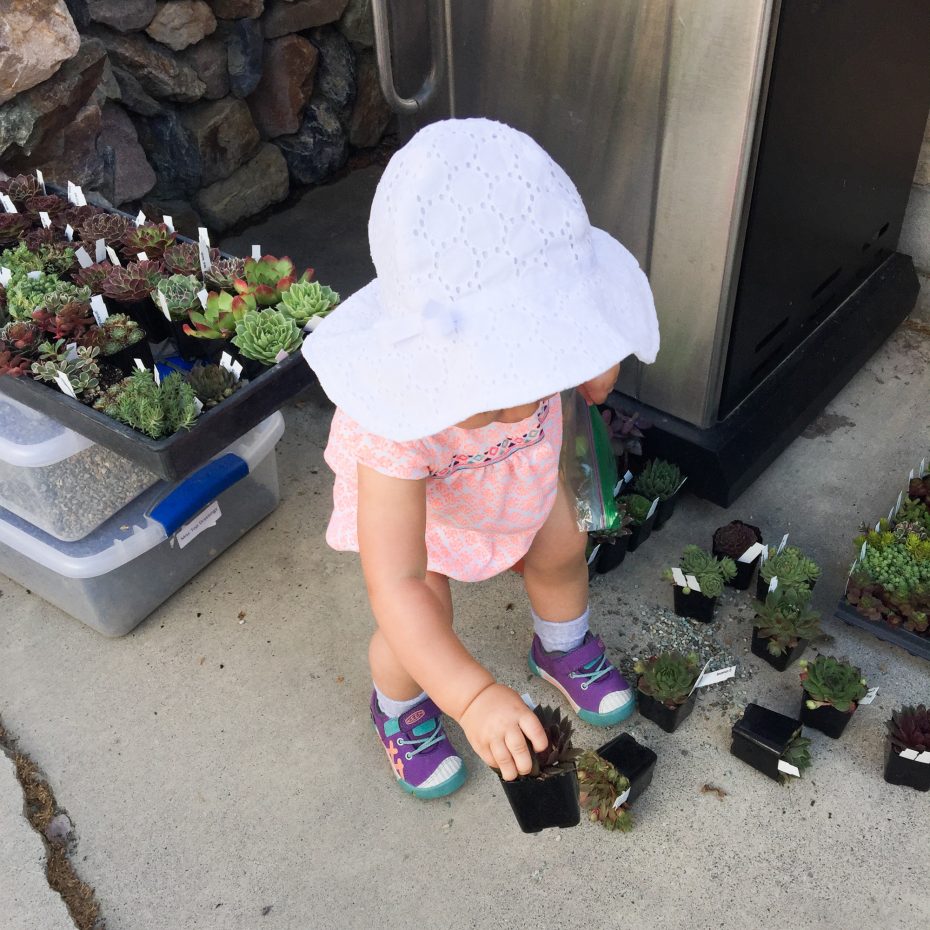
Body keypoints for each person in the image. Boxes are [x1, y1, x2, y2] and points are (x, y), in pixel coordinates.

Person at [303, 118, 659, 799]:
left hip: (517, 483)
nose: (526, 409)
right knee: (417, 626)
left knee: (561, 546)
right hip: (428, 522)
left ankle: (562, 643)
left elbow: (591, 354)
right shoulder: (395, 424)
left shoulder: (542, 348)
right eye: (495, 399)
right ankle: (400, 709)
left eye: (535, 377)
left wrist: (590, 362)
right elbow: (398, 581)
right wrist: (471, 698)